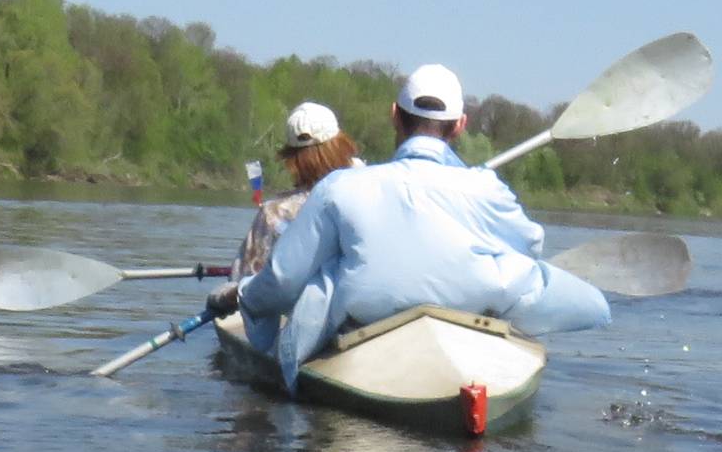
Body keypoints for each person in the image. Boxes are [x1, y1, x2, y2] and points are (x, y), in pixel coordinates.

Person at [208, 64, 610, 389]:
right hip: (468, 319)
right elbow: (530, 248)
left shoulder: (340, 189)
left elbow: (282, 280)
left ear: (394, 116)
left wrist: (242, 296)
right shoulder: (487, 189)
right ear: (460, 126)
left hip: (362, 324)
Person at [234, 101, 360, 279]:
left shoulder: (273, 213)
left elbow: (243, 280)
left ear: (291, 157)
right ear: (342, 143)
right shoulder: (369, 195)